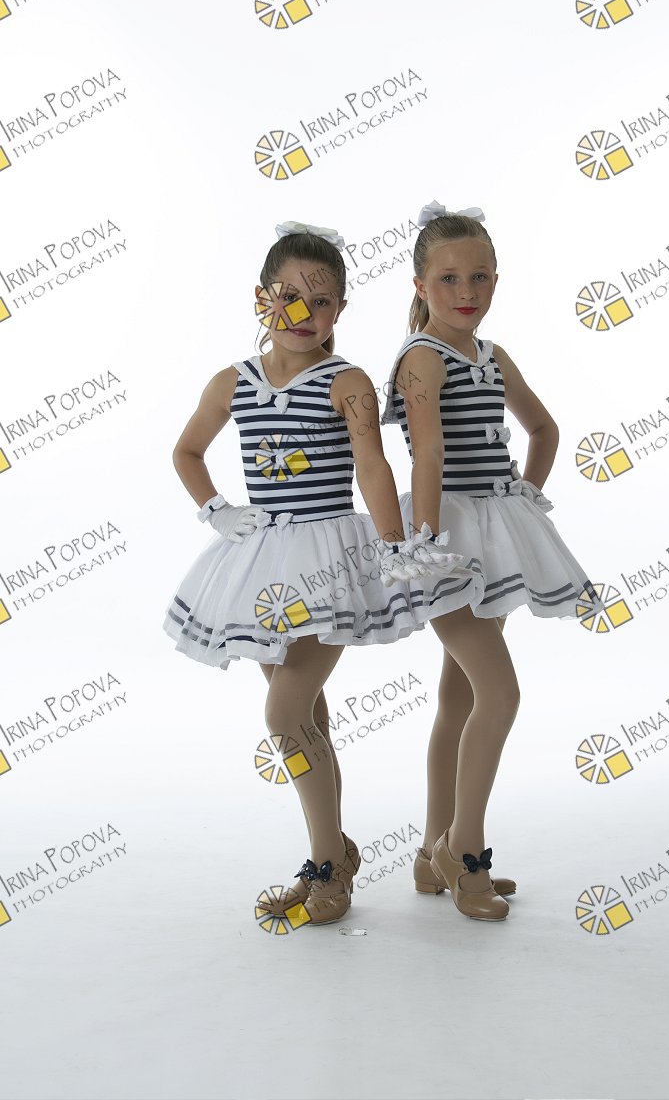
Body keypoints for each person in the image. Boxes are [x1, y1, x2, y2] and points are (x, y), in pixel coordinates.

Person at [163, 220, 464, 926]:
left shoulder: (348, 382)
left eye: (322, 300)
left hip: (331, 562)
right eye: (289, 296)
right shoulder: (232, 382)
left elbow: (372, 466)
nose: (304, 312)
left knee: (284, 714)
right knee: (308, 719)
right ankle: (333, 853)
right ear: (261, 297)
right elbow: (186, 451)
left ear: (341, 309)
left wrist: (393, 545)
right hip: (260, 560)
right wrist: (215, 509)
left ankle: (328, 862)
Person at [381, 201, 600, 921]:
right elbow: (427, 454)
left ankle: (429, 853)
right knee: (499, 696)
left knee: (461, 698)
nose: (465, 291)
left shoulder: (493, 356)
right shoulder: (421, 358)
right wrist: (424, 543)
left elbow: (544, 429)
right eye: (448, 279)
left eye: (479, 276)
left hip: (493, 533)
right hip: (446, 539)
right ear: (420, 285)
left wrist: (522, 496)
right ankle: (462, 850)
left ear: (497, 280)